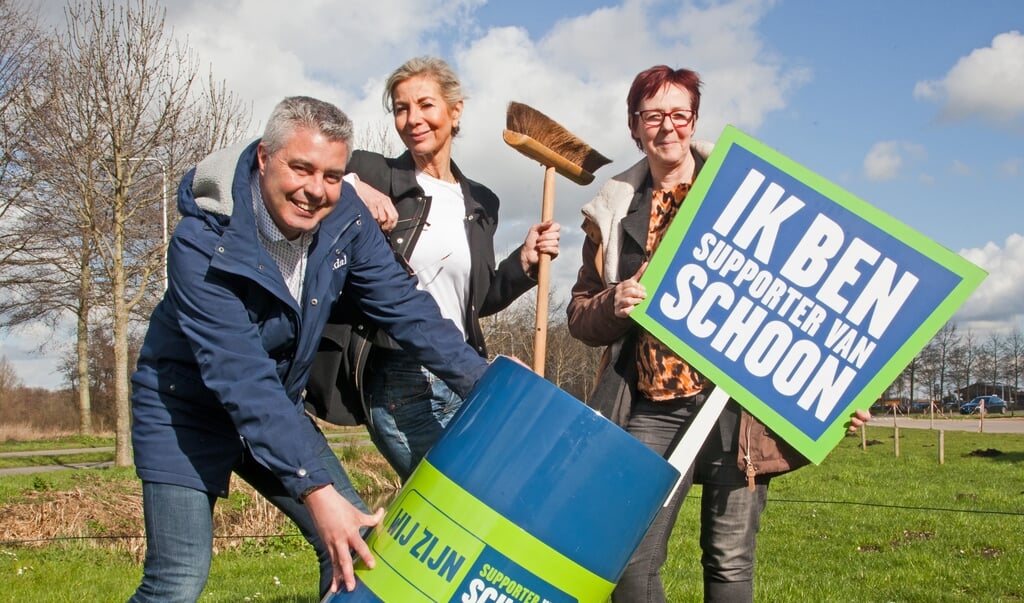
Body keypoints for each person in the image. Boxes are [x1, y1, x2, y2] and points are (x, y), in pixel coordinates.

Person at [128, 96, 491, 602]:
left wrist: (485, 383)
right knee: (178, 579)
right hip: (184, 410)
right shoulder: (201, 243)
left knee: (354, 549)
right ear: (263, 158)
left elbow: (405, 307)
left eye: (332, 175)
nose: (316, 191)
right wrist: (315, 488)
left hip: (279, 404)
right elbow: (239, 375)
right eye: (301, 168)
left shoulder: (346, 217)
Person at [565, 65, 870, 603]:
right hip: (652, 409)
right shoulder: (612, 213)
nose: (667, 127)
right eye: (653, 115)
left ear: (694, 121)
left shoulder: (750, 197)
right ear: (635, 126)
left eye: (679, 114)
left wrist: (841, 393)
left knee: (729, 561)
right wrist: (614, 303)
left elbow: (812, 304)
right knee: (629, 559)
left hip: (738, 412)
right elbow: (579, 316)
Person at [306, 56, 560, 482]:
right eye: (401, 108)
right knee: (453, 493)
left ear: (454, 110)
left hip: (461, 365)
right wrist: (351, 189)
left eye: (425, 105)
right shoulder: (373, 171)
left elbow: (475, 301)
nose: (413, 119)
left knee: (489, 489)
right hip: (396, 370)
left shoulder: (482, 203)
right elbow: (299, 162)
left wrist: (522, 262)